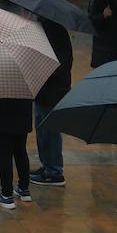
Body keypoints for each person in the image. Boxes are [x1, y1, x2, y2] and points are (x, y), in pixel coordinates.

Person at [30, 19, 73, 187]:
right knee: (42, 129)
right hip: (44, 89)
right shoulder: (48, 29)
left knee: (50, 130)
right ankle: (47, 165)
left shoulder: (54, 32)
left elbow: (58, 65)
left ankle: (54, 172)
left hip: (52, 90)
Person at [0, 89, 34, 209]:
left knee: (4, 154)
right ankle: (24, 188)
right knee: (20, 150)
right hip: (22, 113)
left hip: (1, 115)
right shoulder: (26, 72)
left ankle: (6, 195)